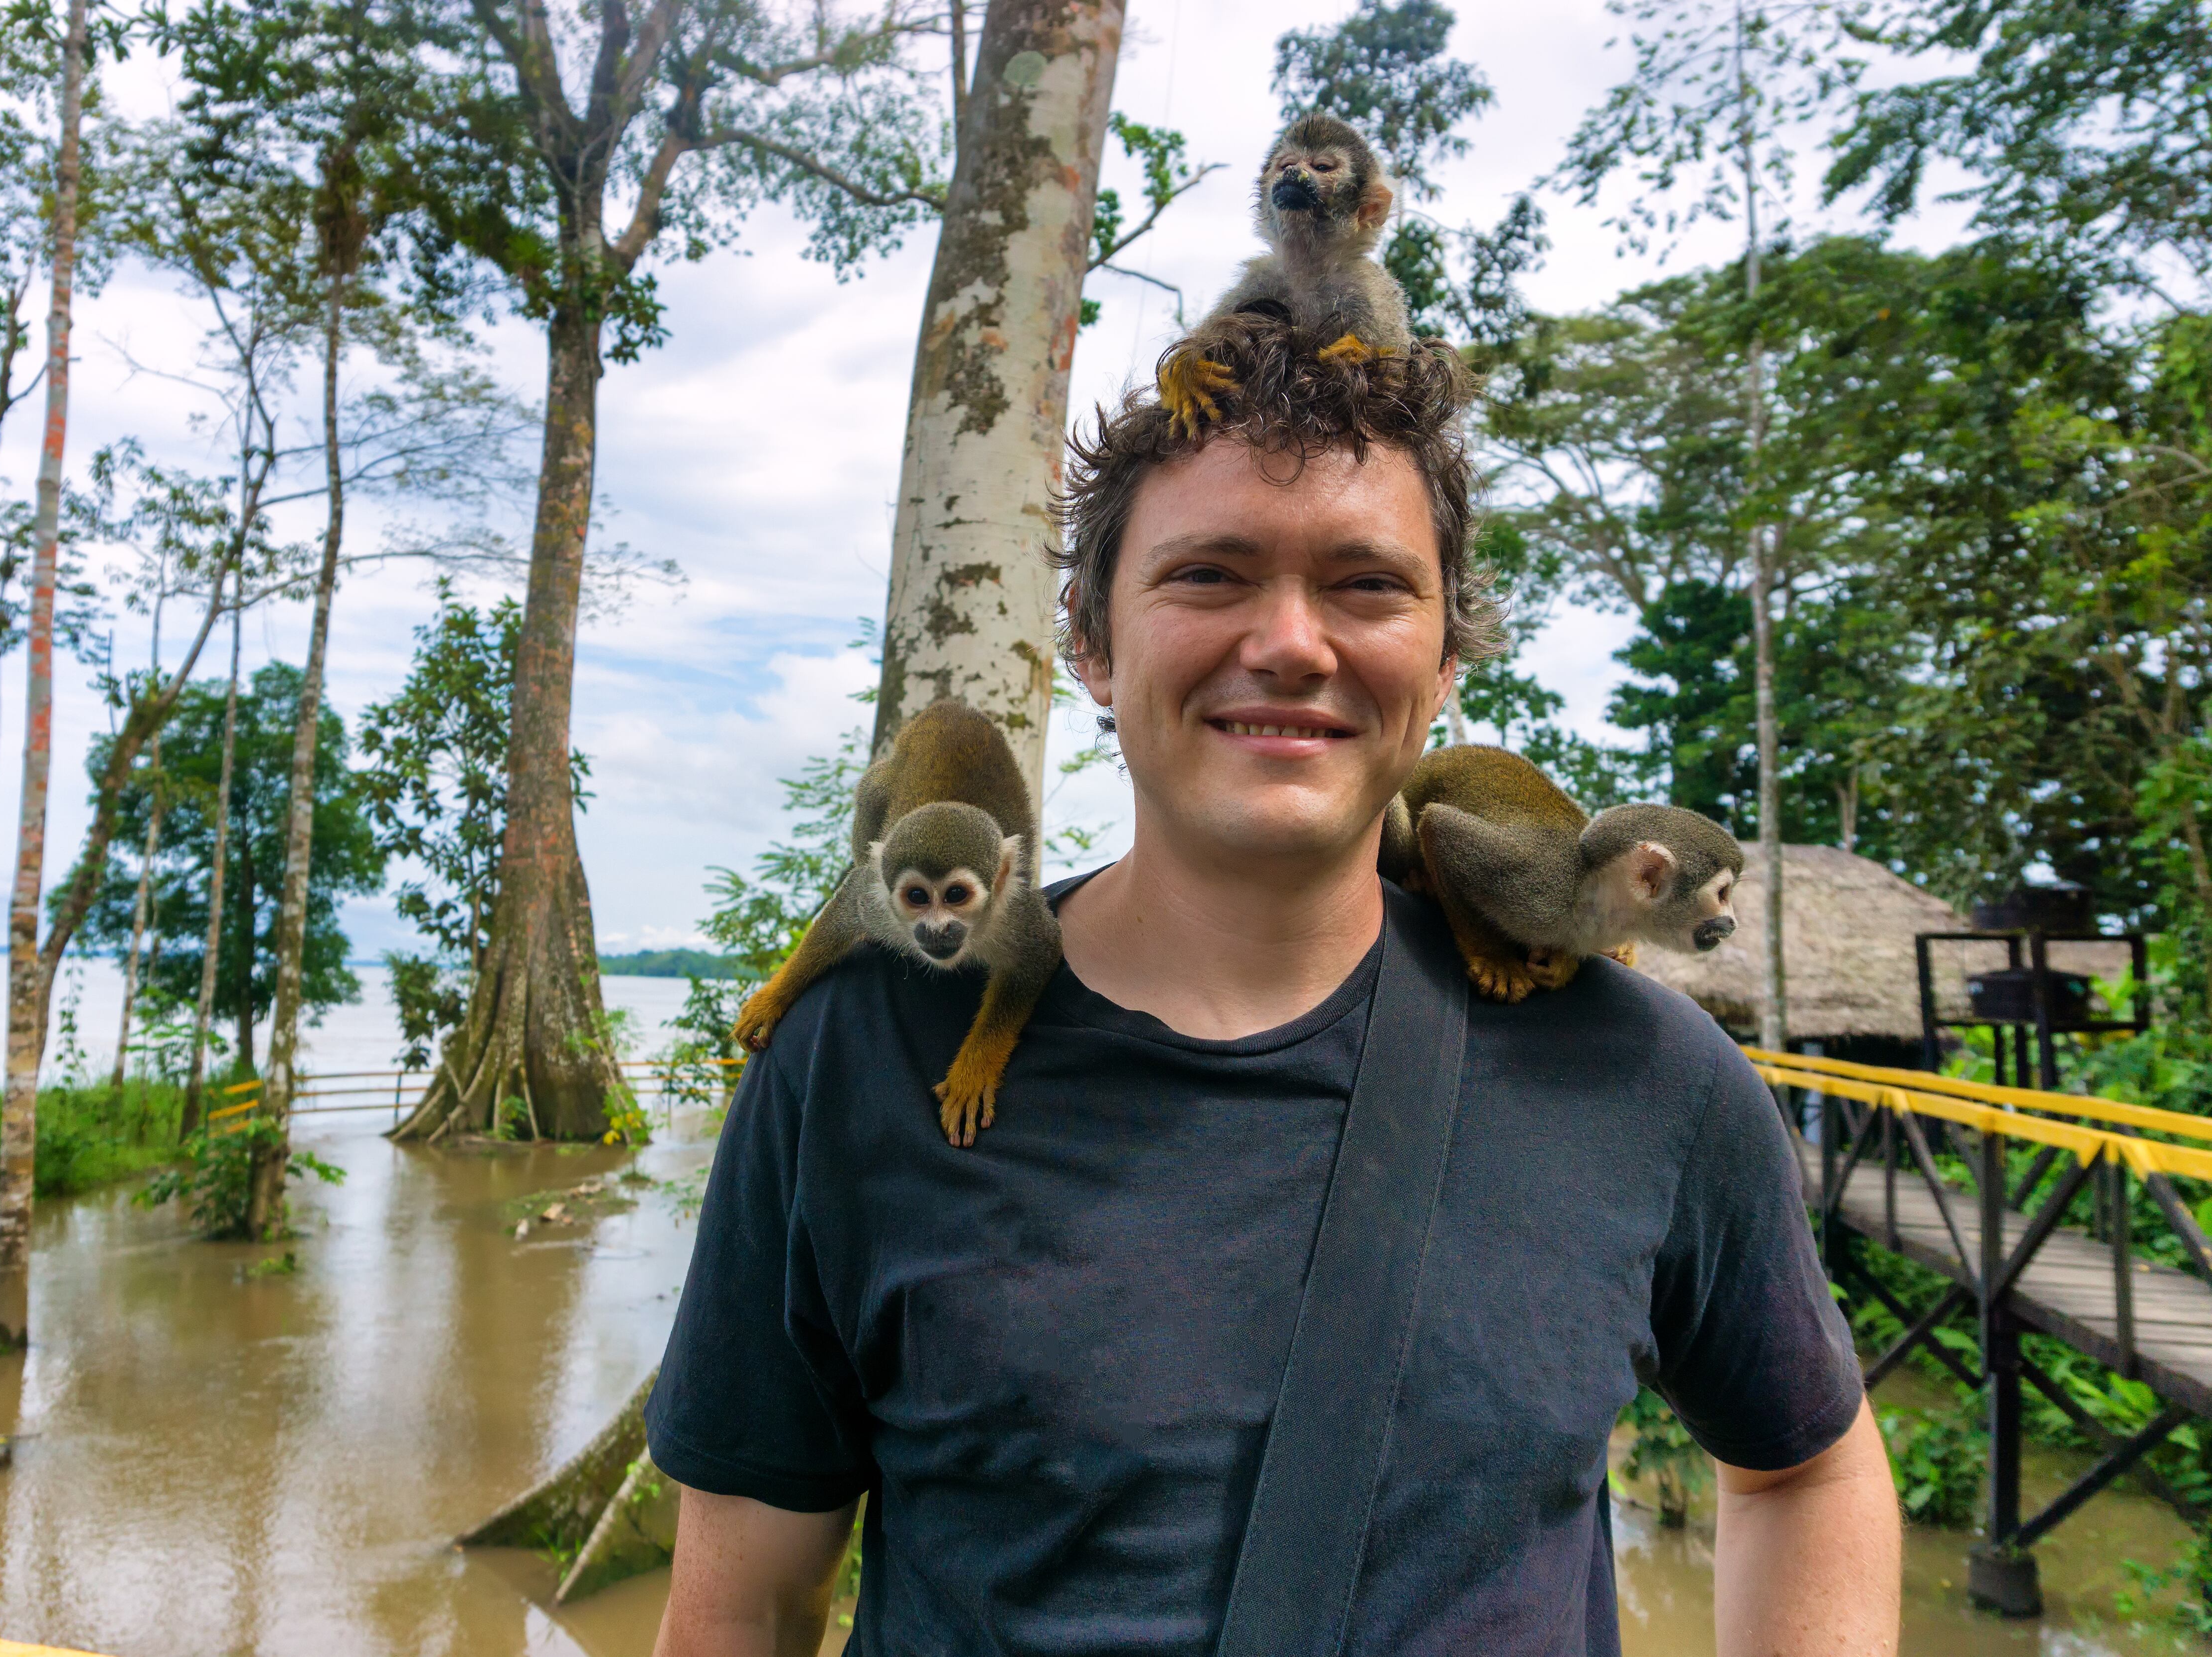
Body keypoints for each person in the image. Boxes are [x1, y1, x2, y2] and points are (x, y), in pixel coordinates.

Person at [646, 322, 1899, 1657]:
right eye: (1209, 575)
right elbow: (743, 1602)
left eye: (1366, 587)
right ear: (1094, 646)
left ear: (1445, 662)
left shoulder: (1652, 1077)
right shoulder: (863, 1055)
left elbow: (1806, 1467)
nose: (1292, 644)